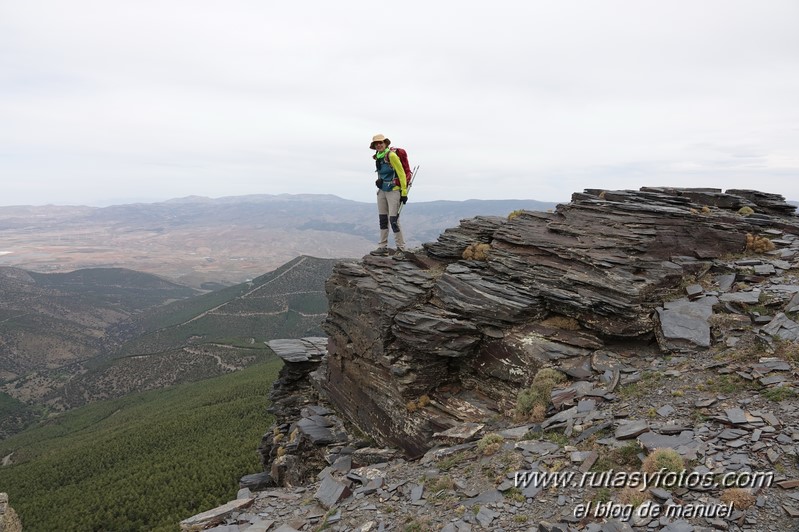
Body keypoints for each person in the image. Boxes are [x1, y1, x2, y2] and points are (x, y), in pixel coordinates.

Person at [369, 134, 408, 259]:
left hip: (393, 191)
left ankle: (401, 249)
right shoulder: (378, 157)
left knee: (393, 220)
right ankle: (382, 247)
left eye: (381, 142)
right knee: (383, 219)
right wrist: (379, 181)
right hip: (382, 191)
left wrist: (404, 193)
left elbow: (401, 173)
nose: (379, 145)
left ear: (385, 143)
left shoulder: (391, 155)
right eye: (376, 143)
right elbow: (382, 173)